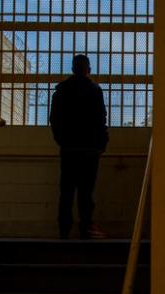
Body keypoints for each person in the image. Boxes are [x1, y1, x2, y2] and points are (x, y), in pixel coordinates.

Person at [49, 54, 109, 239]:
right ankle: (86, 228)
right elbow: (101, 119)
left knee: (66, 191)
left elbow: (55, 120)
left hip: (69, 148)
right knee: (86, 192)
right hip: (90, 149)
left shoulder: (61, 91)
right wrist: (101, 144)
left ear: (73, 69)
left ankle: (64, 230)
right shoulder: (95, 90)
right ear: (88, 69)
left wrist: (63, 141)